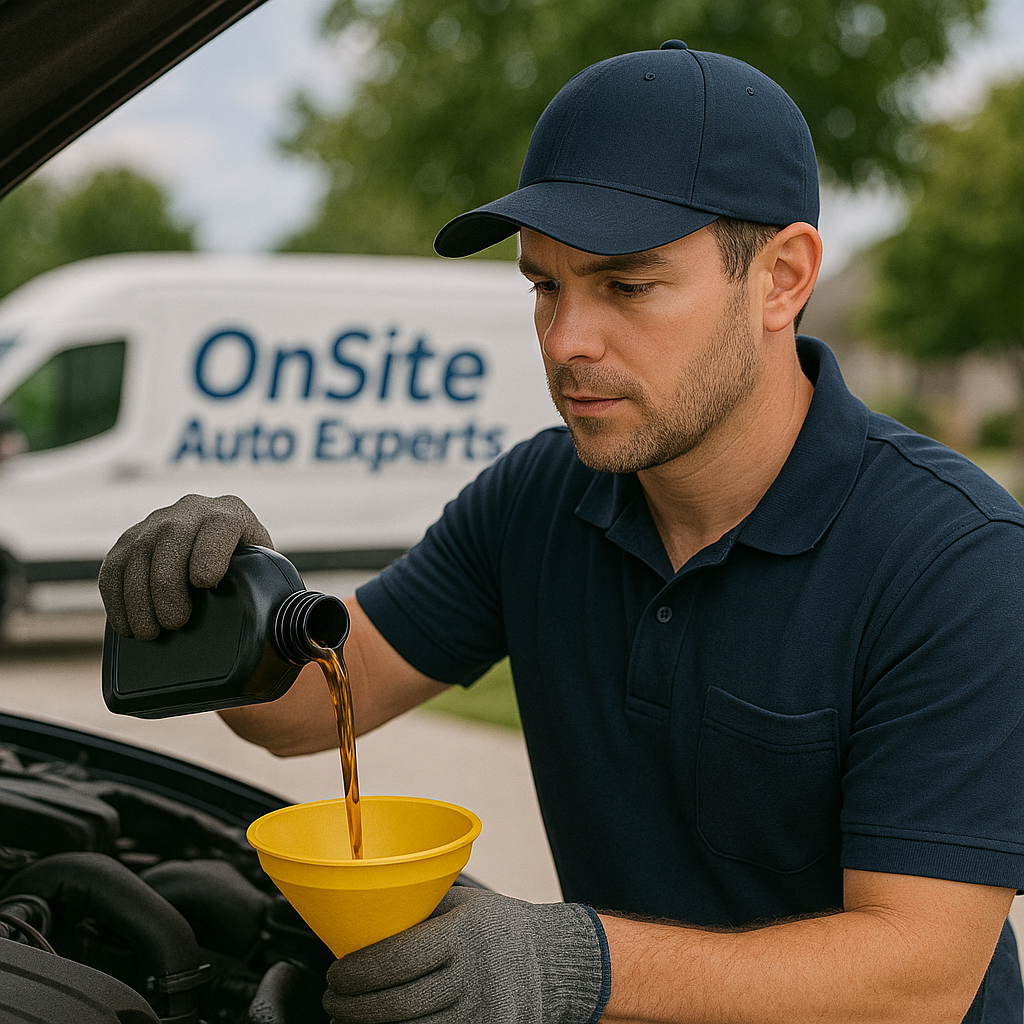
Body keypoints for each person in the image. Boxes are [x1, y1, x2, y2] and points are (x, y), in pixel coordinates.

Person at [99, 41, 1024, 1024]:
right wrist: (229, 601)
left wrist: (570, 966)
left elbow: (917, 976)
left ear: (782, 278)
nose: (566, 341)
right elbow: (307, 707)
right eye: (544, 285)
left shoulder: (953, 558)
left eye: (627, 286)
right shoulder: (539, 498)